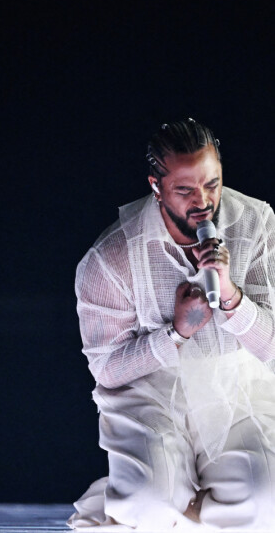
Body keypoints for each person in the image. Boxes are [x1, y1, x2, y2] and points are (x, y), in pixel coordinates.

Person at [68, 118, 275, 530]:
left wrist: (232, 299)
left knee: (267, 505)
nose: (203, 201)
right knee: (148, 506)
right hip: (151, 393)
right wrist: (175, 333)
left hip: (235, 385)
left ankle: (177, 499)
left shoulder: (257, 223)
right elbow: (106, 369)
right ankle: (143, 493)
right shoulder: (111, 258)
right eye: (185, 190)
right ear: (156, 186)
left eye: (212, 184)